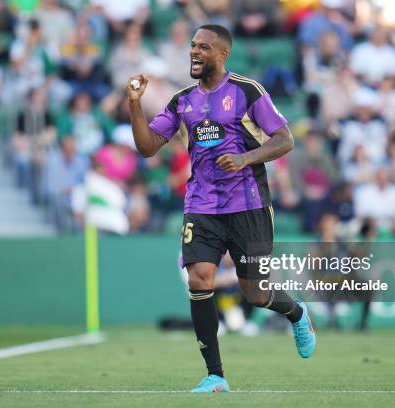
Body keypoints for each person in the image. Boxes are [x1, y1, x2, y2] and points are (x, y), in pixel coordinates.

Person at [126, 24, 316, 393]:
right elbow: (148, 147)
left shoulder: (247, 91)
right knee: (199, 279)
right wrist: (134, 104)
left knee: (256, 294)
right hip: (202, 205)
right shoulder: (182, 101)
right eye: (193, 46)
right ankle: (216, 374)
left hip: (248, 205)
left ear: (222, 53)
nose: (195, 52)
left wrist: (246, 158)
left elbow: (285, 140)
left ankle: (297, 313)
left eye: (203, 47)